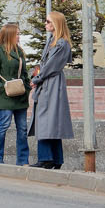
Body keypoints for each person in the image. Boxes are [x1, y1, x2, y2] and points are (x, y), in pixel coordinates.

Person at [31, 10, 75, 169]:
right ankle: (56, 159)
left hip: (51, 84)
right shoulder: (54, 41)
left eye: (48, 21)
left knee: (46, 121)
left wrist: (36, 78)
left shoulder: (60, 43)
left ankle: (46, 158)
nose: (45, 24)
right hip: (50, 83)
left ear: (56, 24)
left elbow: (50, 66)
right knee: (51, 122)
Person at [0, 22, 31, 165]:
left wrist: (27, 87)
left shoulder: (20, 51)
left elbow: (24, 73)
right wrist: (2, 88)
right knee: (4, 125)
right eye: (17, 34)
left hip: (21, 96)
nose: (19, 36)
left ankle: (23, 160)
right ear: (10, 35)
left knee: (22, 129)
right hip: (6, 97)